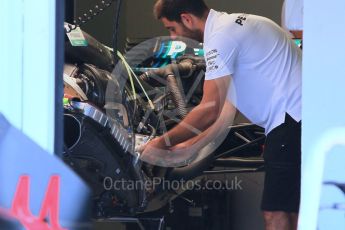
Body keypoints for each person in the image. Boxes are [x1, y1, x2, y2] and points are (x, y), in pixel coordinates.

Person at [140, 0, 302, 229]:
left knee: (276, 214)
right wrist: (189, 148)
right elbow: (227, 110)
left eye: (172, 29)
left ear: (187, 18)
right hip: (295, 121)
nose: (174, 38)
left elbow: (209, 109)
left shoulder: (221, 37)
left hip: (290, 121)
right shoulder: (234, 26)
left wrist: (161, 142)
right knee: (293, 212)